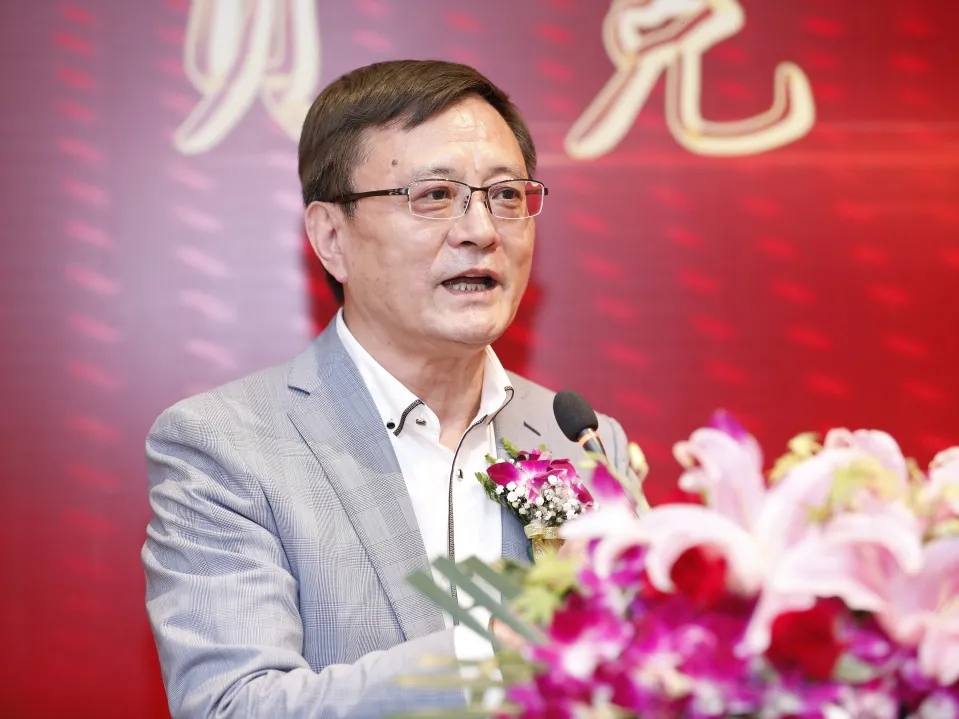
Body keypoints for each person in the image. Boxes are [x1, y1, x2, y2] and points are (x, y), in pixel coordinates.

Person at [142, 59, 635, 719]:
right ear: (331, 237)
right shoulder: (227, 447)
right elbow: (232, 705)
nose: (481, 230)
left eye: (506, 195)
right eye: (433, 196)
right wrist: (494, 656)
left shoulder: (584, 440)